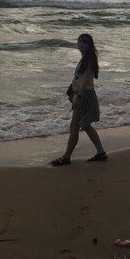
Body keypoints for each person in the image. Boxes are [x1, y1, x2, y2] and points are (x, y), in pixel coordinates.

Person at [51, 33, 107, 166]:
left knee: (75, 126)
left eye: (85, 42)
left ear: (90, 44)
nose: (81, 44)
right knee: (85, 125)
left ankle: (66, 157)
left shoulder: (89, 60)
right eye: (79, 42)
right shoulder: (85, 59)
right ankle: (101, 152)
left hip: (84, 95)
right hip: (82, 94)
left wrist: (78, 96)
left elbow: (86, 80)